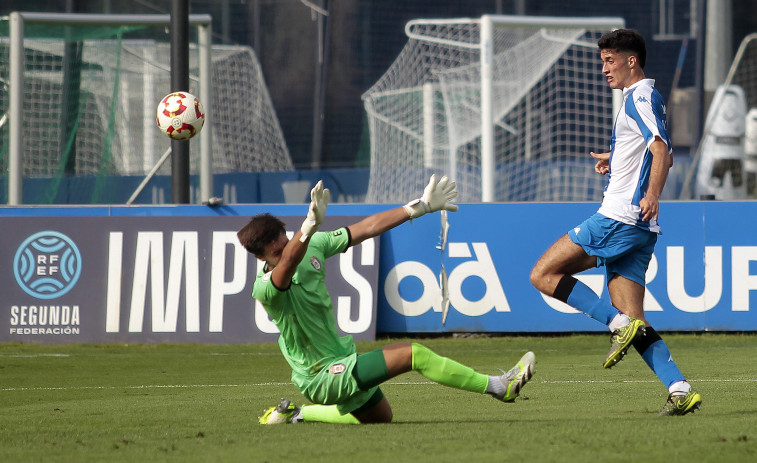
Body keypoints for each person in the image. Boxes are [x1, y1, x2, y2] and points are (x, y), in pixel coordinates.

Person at [238, 176, 535, 424]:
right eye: (274, 253)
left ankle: (296, 415)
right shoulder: (264, 288)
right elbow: (288, 264)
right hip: (319, 376)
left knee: (380, 418)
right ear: (258, 257)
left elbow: (366, 228)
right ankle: (500, 387)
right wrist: (307, 227)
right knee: (414, 354)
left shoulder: (312, 244)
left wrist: (418, 207)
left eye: (284, 243)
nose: (284, 253)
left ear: (286, 234)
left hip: (340, 360)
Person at [529, 29, 702, 416]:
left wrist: (653, 194)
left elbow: (660, 150)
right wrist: (618, 155)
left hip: (620, 217)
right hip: (640, 229)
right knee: (637, 322)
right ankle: (680, 388)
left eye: (610, 60)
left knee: (542, 274)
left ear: (631, 61)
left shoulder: (639, 96)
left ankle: (614, 322)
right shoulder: (643, 98)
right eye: (602, 60)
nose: (604, 68)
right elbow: (659, 152)